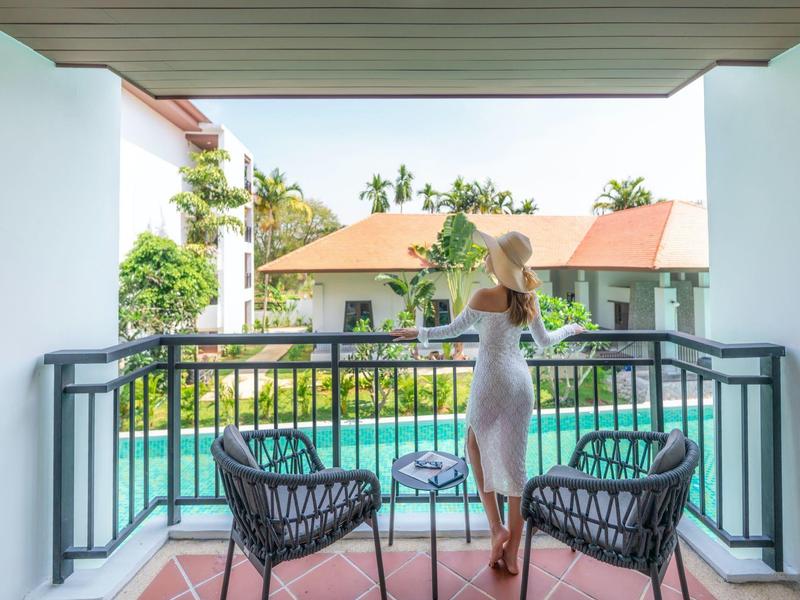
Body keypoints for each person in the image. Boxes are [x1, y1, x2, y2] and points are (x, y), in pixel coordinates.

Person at [390, 230, 584, 575]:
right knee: (516, 465)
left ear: (499, 262)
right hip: (520, 384)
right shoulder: (528, 298)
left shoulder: (484, 295)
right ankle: (513, 554)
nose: (485, 257)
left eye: (490, 253)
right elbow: (544, 341)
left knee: (473, 444)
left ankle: (497, 528)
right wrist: (570, 328)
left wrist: (418, 333)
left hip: (492, 380)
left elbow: (452, 330)